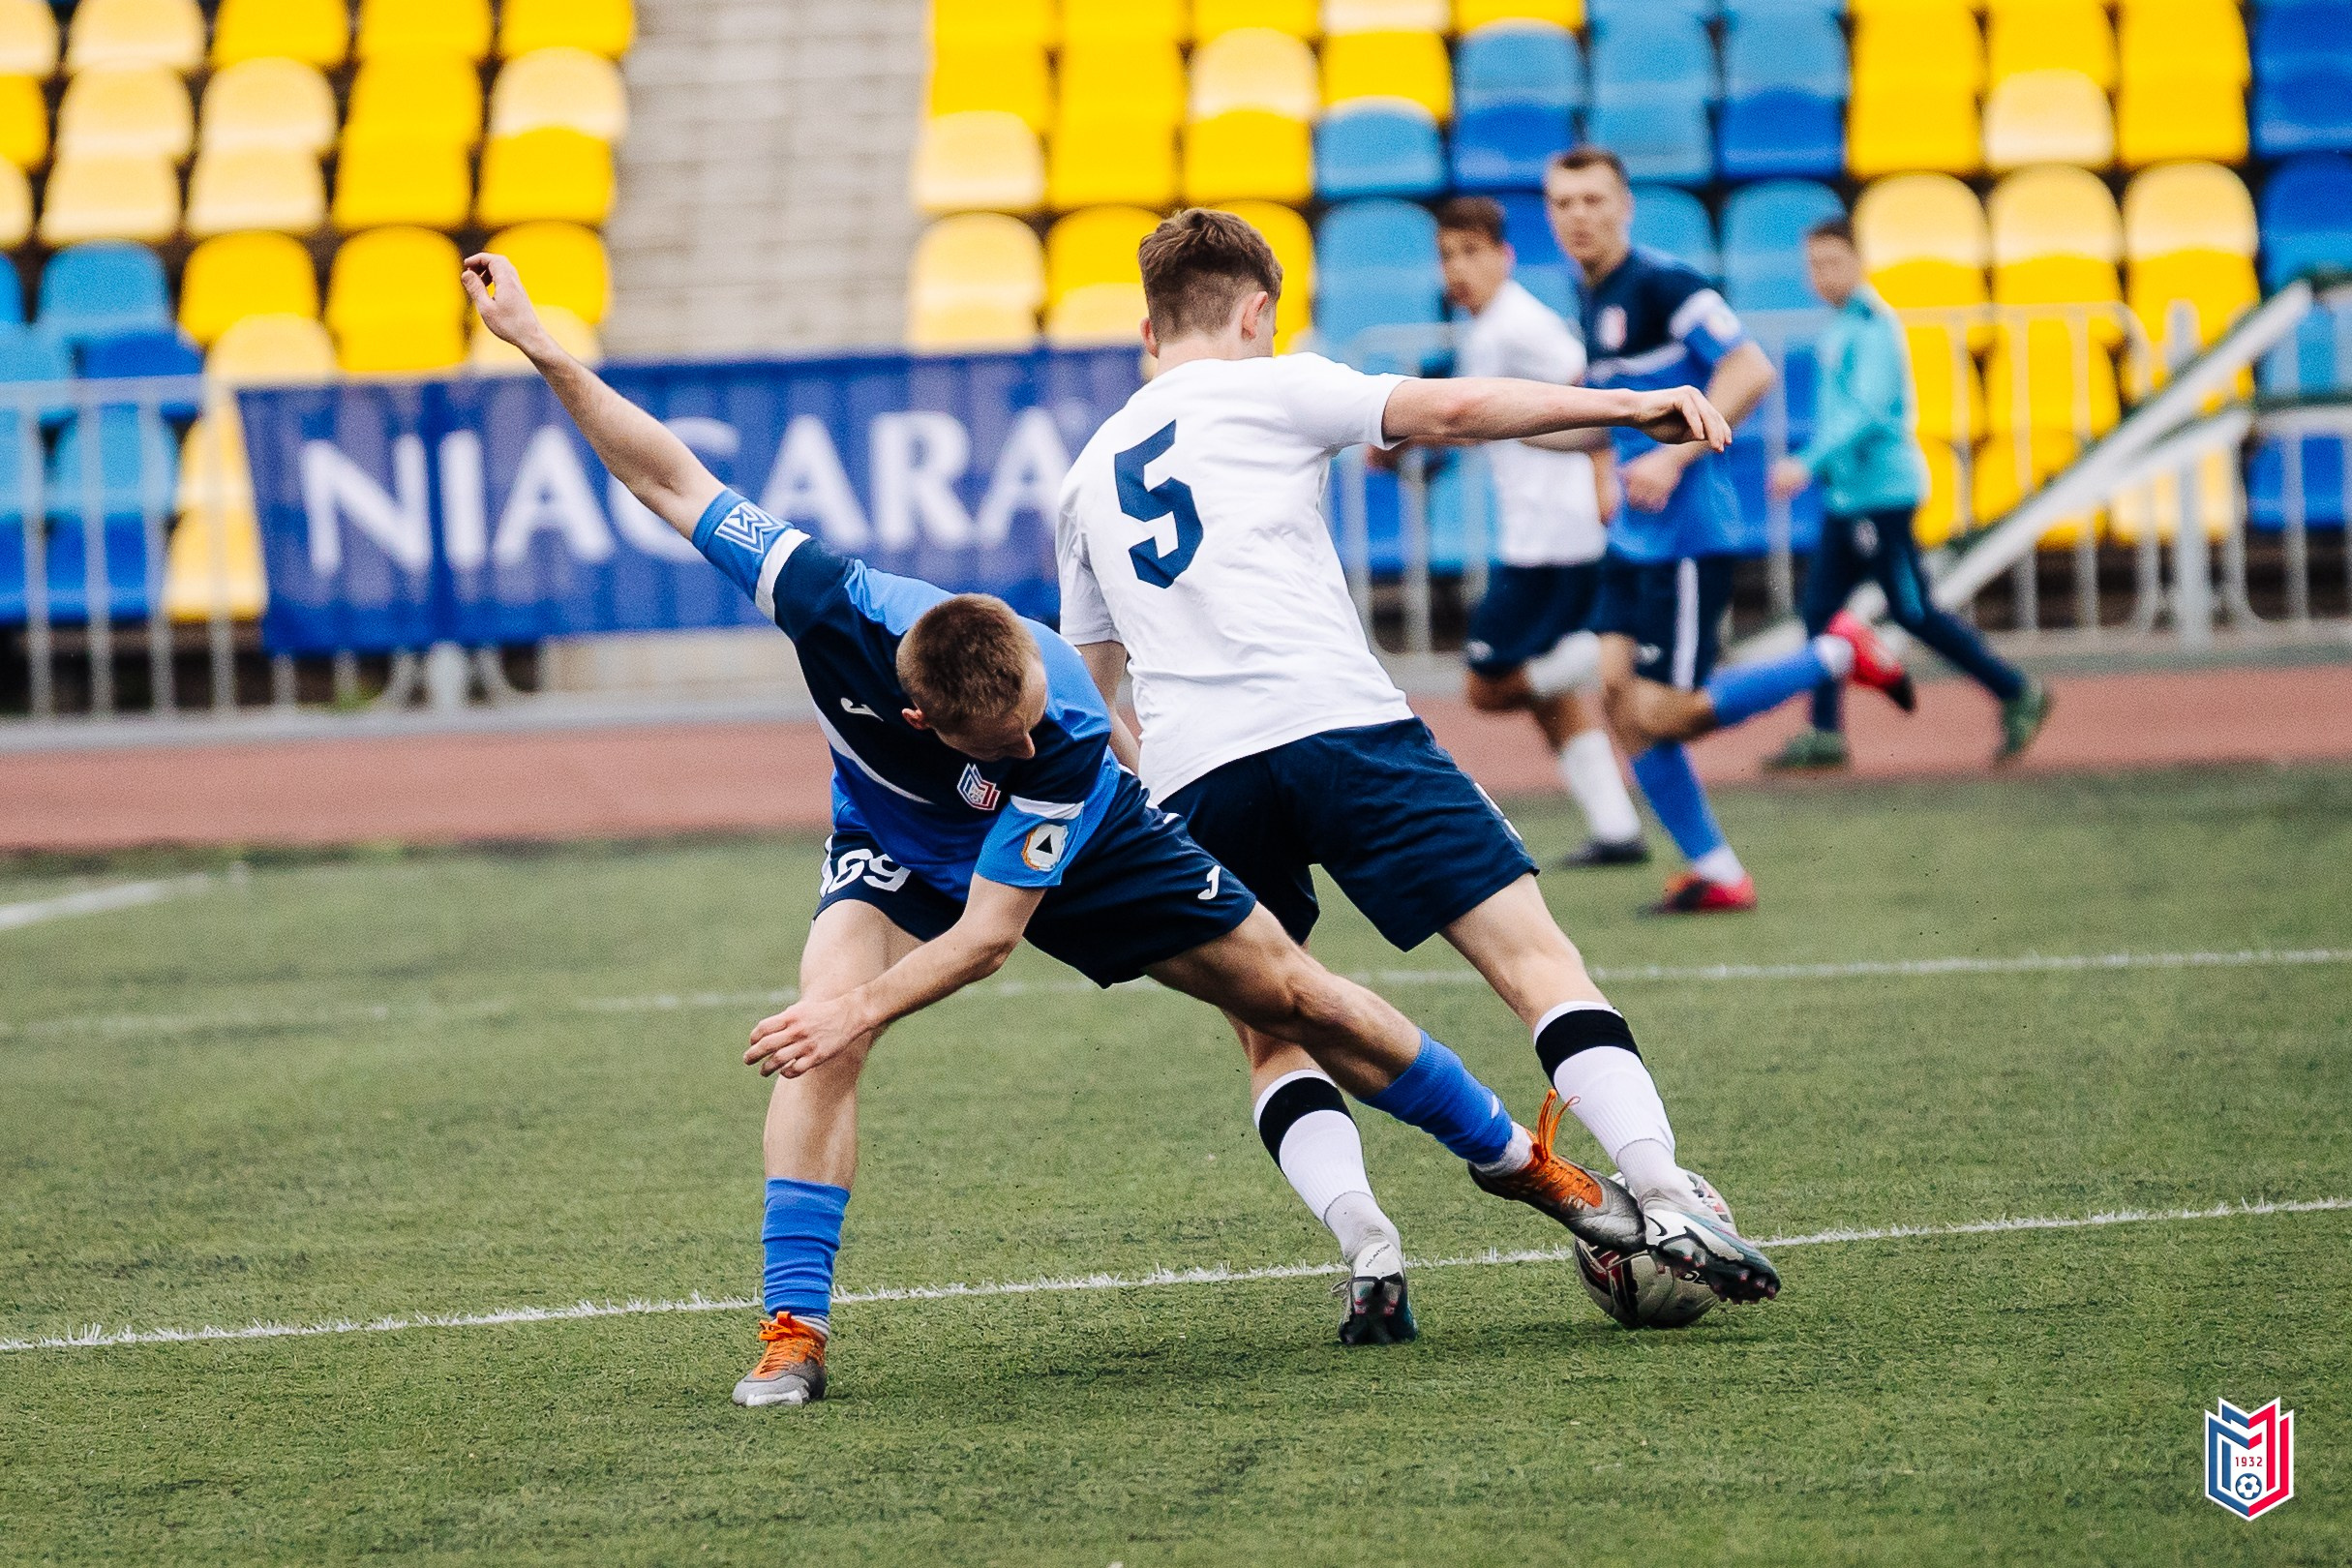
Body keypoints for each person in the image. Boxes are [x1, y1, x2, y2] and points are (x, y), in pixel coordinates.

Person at [463, 251, 1731, 1409]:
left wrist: (879, 985)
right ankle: (793, 1329)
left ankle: (1536, 1171)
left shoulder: (1056, 734)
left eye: (1024, 723)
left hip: (1082, 838)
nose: (1016, 745)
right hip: (893, 840)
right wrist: (540, 346)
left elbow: (985, 940)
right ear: (914, 708)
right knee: (817, 1042)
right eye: (990, 743)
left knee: (1299, 994)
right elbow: (664, 473)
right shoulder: (824, 598)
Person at [1054, 209, 1783, 1329]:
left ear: (1150, 326)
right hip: (1342, 727)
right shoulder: (1276, 383)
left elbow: (1091, 694)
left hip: (1199, 777)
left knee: (1274, 1030)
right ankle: (1667, 1190)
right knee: (1536, 962)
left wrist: (1161, 793)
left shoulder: (1089, 473)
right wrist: (1627, 406)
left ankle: (1369, 1246)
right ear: (1255, 312)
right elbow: (1447, 409)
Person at [1546, 147, 1918, 915]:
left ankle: (1837, 650)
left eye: (1592, 199)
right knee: (1616, 698)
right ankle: (1718, 871)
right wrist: (1465, 432)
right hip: (1633, 538)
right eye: (1562, 202)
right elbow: (1598, 421)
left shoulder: (1665, 282)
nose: (1578, 215)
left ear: (1625, 206)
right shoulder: (1591, 295)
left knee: (1666, 713)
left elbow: (1749, 370)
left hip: (1686, 536)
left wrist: (1669, 460)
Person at [1767, 217, 2053, 770]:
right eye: (1815, 265)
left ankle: (2016, 690)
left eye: (1833, 263)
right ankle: (1825, 731)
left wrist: (1807, 462)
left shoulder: (1872, 326)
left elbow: (1866, 414)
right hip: (1850, 499)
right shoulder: (1844, 326)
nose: (1822, 275)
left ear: (1858, 262)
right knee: (1822, 610)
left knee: (1912, 610)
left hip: (1881, 498)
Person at [1432, 196, 1649, 868]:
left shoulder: (1519, 323)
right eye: (1447, 256)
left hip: (1555, 538)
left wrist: (1604, 472)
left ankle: (1621, 641)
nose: (1458, 269)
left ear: (1505, 257)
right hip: (1539, 533)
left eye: (1471, 252)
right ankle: (1617, 830)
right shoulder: (1490, 327)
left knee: (1487, 685)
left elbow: (1590, 386)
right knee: (1545, 693)